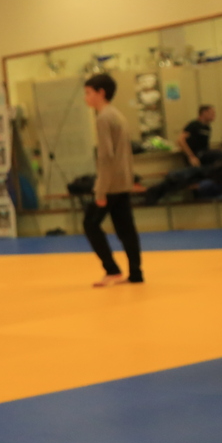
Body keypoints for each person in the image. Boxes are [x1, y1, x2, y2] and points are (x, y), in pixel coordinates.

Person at [82, 73, 143, 287]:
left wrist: (100, 191)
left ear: (101, 93)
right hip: (123, 181)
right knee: (126, 229)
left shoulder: (104, 118)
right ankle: (136, 273)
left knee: (90, 224)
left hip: (110, 185)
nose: (86, 97)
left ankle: (112, 269)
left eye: (88, 93)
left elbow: (106, 156)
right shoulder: (118, 115)